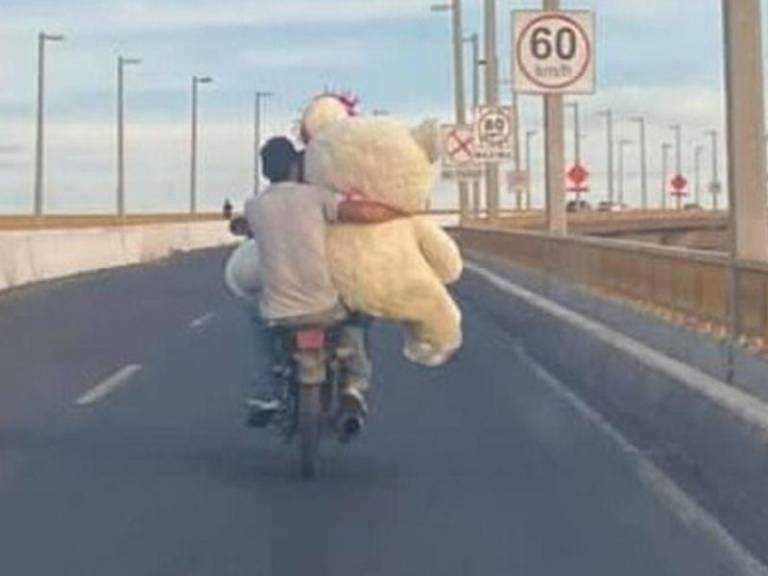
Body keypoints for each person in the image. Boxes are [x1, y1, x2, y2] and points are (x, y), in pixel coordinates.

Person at [244, 136, 405, 430]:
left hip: (277, 313)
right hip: (324, 307)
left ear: (265, 171)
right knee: (360, 308)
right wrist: (403, 213)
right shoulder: (315, 197)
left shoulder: (254, 206)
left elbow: (245, 229)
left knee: (253, 313)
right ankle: (354, 386)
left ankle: (267, 391)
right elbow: (363, 213)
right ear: (296, 167)